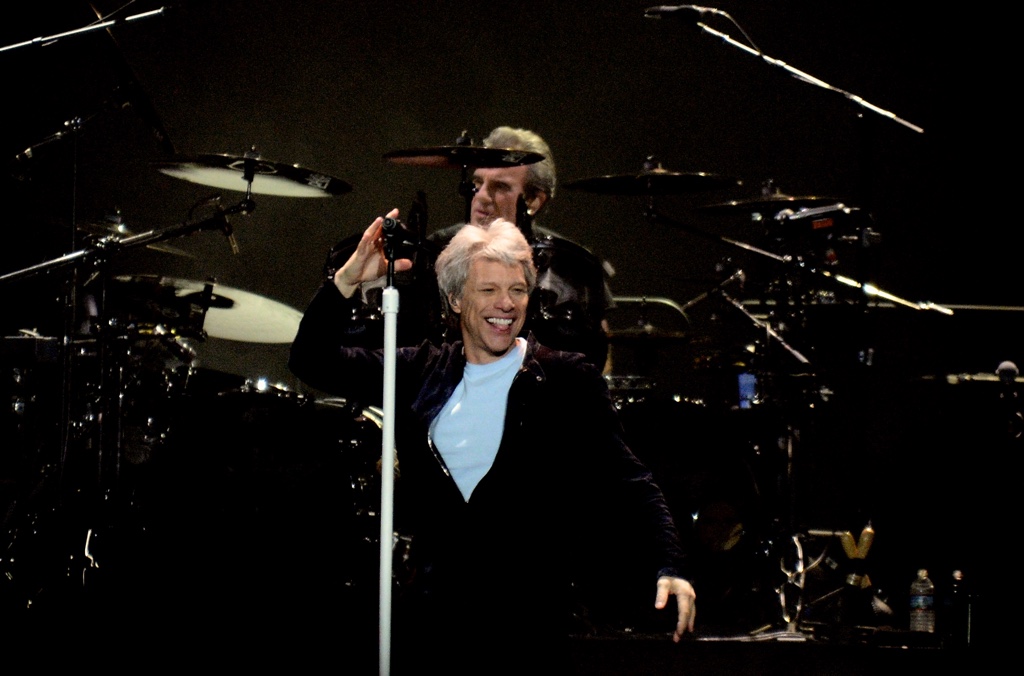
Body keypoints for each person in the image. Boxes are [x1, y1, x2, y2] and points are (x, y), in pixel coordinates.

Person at [288, 214, 695, 673]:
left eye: (518, 290)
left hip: (529, 626)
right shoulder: (418, 369)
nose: (506, 304)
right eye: (488, 290)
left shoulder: (563, 378)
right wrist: (345, 281)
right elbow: (310, 360)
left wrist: (671, 565)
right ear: (456, 298)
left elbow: (629, 480)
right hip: (434, 623)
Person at [431, 125, 615, 369]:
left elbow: (598, 348)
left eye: (500, 187)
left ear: (534, 200)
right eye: (478, 183)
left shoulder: (568, 263)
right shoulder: (438, 248)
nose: (481, 196)